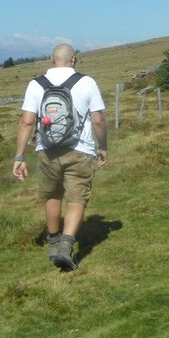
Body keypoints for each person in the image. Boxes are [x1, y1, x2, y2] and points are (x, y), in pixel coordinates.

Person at [12, 44, 108, 271]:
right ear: (74, 59)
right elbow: (98, 120)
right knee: (77, 199)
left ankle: (53, 242)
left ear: (51, 59)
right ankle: (66, 246)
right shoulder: (87, 82)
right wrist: (102, 146)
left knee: (52, 195)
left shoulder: (36, 84)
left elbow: (27, 121)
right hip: (80, 149)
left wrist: (19, 156)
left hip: (47, 149)